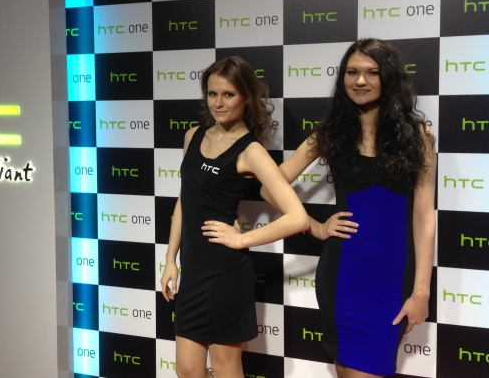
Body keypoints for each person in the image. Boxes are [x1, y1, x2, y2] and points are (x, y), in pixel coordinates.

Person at [260, 38, 437, 378]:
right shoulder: (331, 133)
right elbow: (270, 187)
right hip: (342, 276)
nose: (360, 81)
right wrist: (314, 225)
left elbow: (424, 219)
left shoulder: (419, 136)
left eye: (372, 72)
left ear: (389, 77)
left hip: (391, 280)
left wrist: (421, 292)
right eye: (352, 72)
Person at [159, 56, 314, 378]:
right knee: (187, 371)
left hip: (226, 274)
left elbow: (297, 217)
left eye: (228, 94)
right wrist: (171, 259)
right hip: (193, 271)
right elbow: (184, 201)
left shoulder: (251, 151)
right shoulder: (193, 135)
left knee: (225, 369)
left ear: (246, 97)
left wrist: (242, 239)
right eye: (212, 94)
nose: (218, 103)